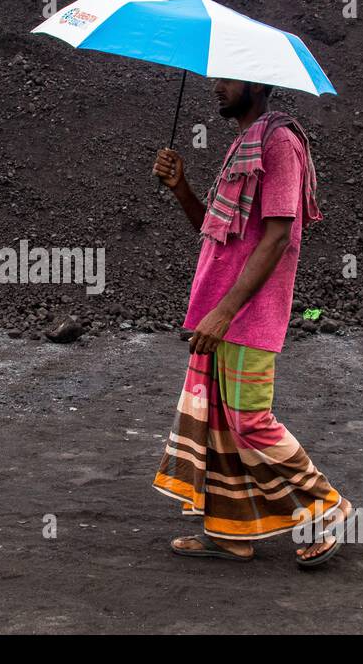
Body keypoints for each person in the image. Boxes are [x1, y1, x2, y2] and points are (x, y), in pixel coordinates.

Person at [150, 79, 352, 567]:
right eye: (214, 76)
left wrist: (224, 312)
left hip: (244, 315)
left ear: (258, 83)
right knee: (220, 425)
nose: (215, 87)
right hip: (219, 312)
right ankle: (230, 531)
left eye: (227, 78)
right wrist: (182, 188)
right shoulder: (245, 143)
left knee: (250, 419)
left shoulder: (279, 142)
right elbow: (219, 232)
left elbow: (279, 236)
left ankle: (327, 508)